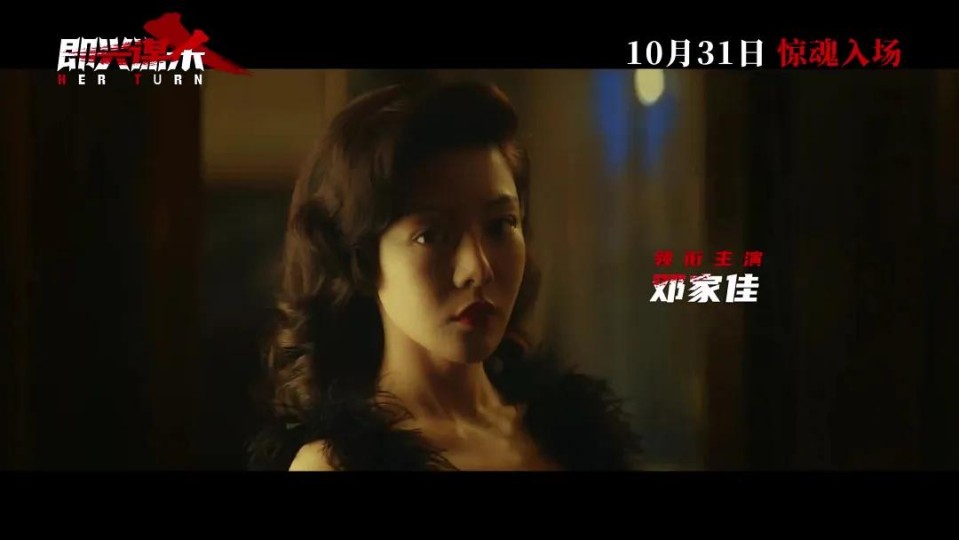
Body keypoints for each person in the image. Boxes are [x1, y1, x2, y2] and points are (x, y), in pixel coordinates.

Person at [248, 81, 641, 471]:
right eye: (432, 235)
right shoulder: (339, 465)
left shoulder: (574, 437)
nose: (479, 269)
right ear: (363, 258)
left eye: (500, 225)